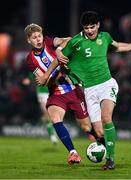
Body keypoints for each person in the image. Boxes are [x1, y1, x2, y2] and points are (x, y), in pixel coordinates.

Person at [55, 11, 131, 170]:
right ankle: (106, 148)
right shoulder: (76, 41)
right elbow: (60, 55)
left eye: (92, 27)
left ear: (98, 25)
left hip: (107, 84)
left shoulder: (104, 37)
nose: (90, 30)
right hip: (89, 91)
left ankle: (110, 160)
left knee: (106, 117)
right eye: (86, 28)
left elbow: (118, 46)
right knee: (99, 133)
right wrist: (59, 51)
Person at [24, 23, 92, 165]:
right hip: (55, 93)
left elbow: (68, 39)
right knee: (54, 118)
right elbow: (45, 82)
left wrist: (60, 50)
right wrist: (60, 72)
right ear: (28, 40)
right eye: (34, 37)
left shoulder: (49, 41)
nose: (38, 39)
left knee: (85, 127)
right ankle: (73, 153)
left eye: (39, 36)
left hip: (73, 89)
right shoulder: (30, 60)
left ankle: (99, 139)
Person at [22, 74, 58, 144]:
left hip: (54, 91)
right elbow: (33, 73)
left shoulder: (54, 64)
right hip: (42, 92)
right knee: (47, 114)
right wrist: (29, 79)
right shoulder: (38, 64)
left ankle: (52, 129)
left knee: (53, 115)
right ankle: (52, 135)